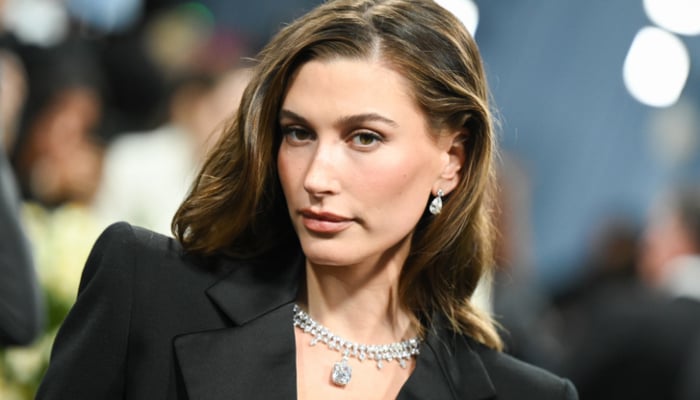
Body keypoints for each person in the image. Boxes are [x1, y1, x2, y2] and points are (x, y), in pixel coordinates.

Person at [36, 1, 577, 399]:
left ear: (451, 160)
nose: (317, 176)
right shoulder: (147, 289)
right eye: (298, 133)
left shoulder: (525, 396)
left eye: (364, 137)